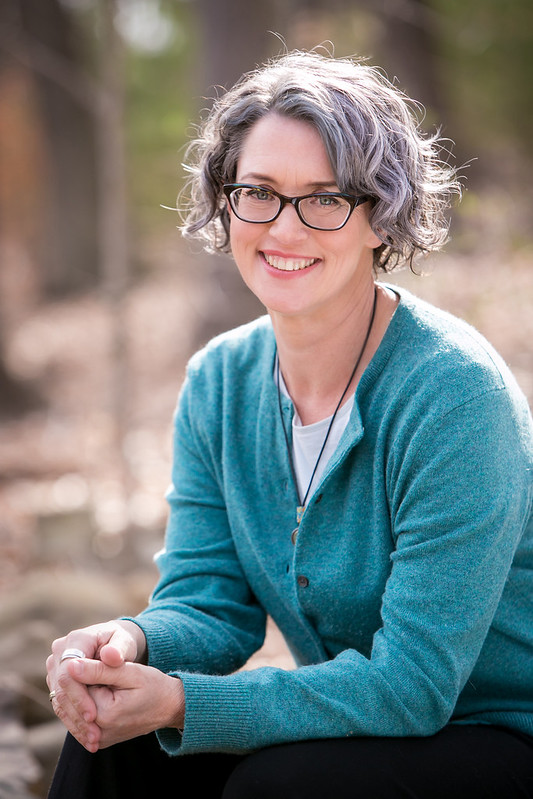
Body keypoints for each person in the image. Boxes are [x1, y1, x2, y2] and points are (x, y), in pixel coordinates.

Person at [46, 50, 533, 798]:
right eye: (259, 193)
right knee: (110, 747)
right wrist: (127, 644)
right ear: (225, 201)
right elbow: (208, 601)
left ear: (381, 214)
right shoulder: (219, 381)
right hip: (359, 722)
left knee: (278, 785)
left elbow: (411, 685)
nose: (284, 227)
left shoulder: (453, 395)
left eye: (324, 198)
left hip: (496, 730)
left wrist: (181, 702)